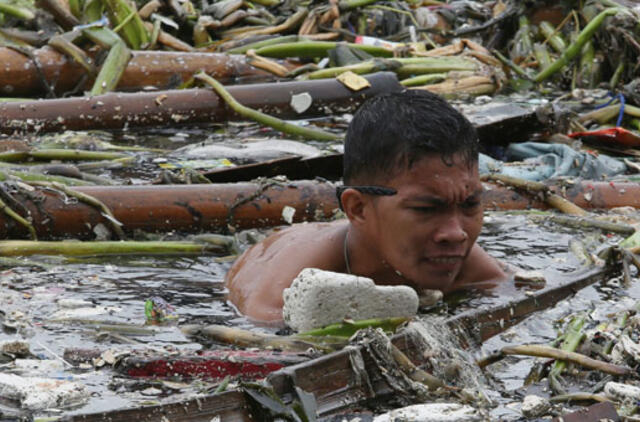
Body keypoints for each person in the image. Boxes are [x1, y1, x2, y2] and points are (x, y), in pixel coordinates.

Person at [225, 89, 507, 322]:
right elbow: (261, 326)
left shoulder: (459, 257)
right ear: (358, 208)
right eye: (426, 209)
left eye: (470, 205)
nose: (456, 233)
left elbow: (512, 295)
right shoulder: (300, 277)